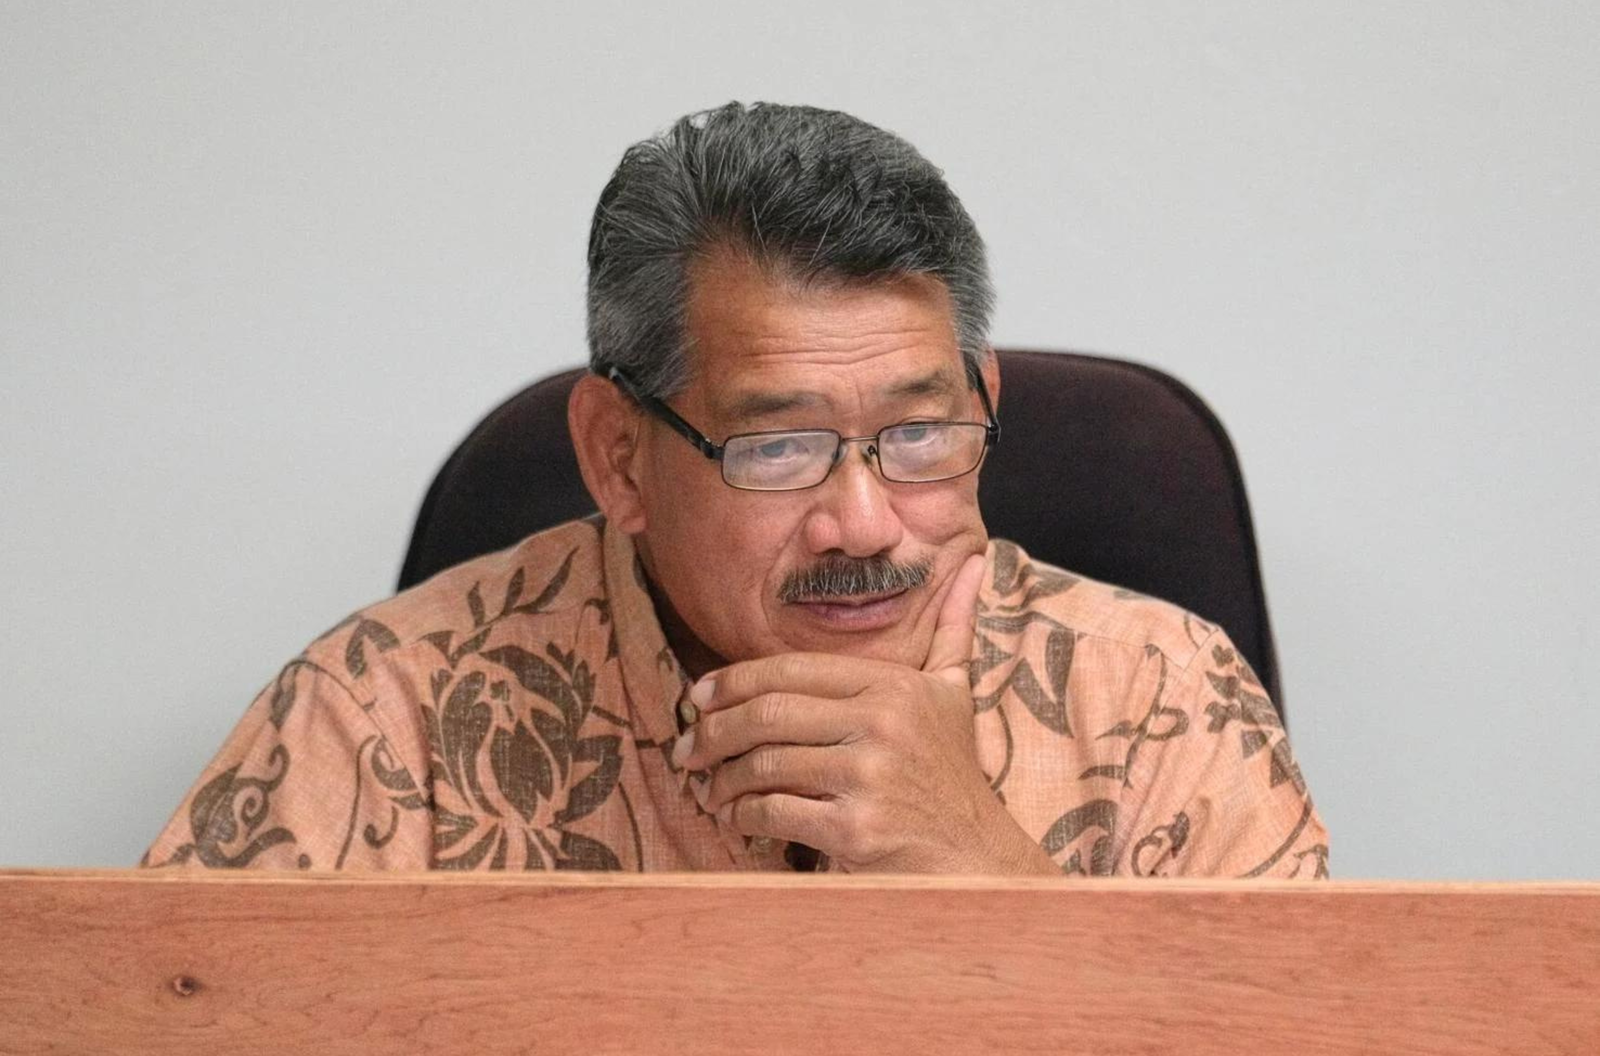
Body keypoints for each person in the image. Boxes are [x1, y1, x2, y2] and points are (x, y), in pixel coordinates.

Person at [143, 102, 1327, 877]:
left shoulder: (1162, 695)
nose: (864, 523)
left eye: (919, 433)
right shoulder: (385, 713)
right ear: (618, 455)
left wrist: (983, 867)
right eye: (777, 449)